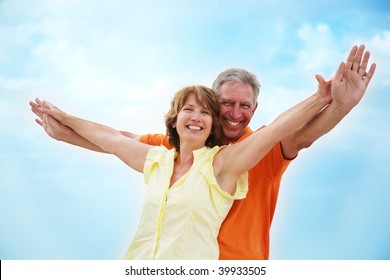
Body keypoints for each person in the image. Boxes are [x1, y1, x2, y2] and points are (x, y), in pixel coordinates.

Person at [30, 44, 376, 259]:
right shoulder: (178, 149)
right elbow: (118, 140)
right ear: (212, 104)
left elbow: (299, 134)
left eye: (245, 106)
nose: (236, 113)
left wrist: (338, 105)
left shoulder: (260, 148)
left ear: (255, 110)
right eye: (226, 103)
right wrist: (62, 132)